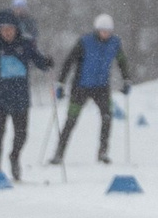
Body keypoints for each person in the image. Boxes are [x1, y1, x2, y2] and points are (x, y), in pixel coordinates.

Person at [0, 10, 52, 181]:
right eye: (4, 29)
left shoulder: (26, 44)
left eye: (11, 28)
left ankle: (14, 156)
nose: (7, 32)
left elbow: (40, 62)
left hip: (20, 98)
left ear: (17, 29)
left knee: (22, 134)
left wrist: (46, 62)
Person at [50, 13, 134, 166]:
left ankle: (103, 153)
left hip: (101, 87)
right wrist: (61, 83)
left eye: (108, 31)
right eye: (103, 31)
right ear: (97, 30)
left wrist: (127, 79)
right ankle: (59, 153)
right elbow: (69, 62)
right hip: (81, 87)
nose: (105, 34)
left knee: (107, 117)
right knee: (71, 120)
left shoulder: (115, 43)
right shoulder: (85, 42)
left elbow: (122, 62)